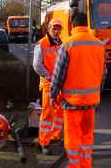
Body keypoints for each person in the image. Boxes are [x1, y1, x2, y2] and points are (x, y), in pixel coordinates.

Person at [51, 12, 105, 168]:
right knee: (87, 136)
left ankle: (74, 165)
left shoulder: (67, 45)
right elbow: (103, 72)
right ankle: (85, 164)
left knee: (73, 137)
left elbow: (58, 74)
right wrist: (96, 92)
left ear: (73, 26)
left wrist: (53, 94)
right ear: (86, 25)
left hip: (71, 102)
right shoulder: (99, 45)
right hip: (91, 102)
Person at [33, 18, 64, 155]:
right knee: (47, 115)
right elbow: (37, 65)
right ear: (48, 29)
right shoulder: (42, 44)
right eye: (54, 28)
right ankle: (43, 142)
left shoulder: (61, 43)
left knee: (59, 113)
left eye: (58, 29)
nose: (56, 31)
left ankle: (55, 136)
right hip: (48, 85)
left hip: (60, 85)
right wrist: (51, 77)